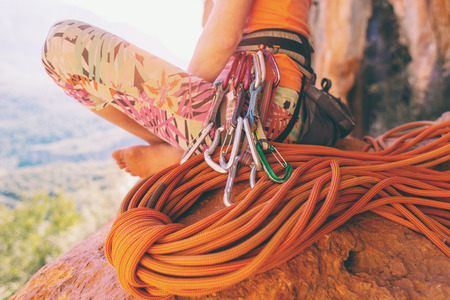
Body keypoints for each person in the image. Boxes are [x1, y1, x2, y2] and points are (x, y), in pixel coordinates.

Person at [42, 0, 313, 178]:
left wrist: (176, 116)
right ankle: (185, 148)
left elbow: (222, 38)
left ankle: (183, 150)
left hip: (253, 113)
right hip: (281, 117)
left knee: (61, 44)